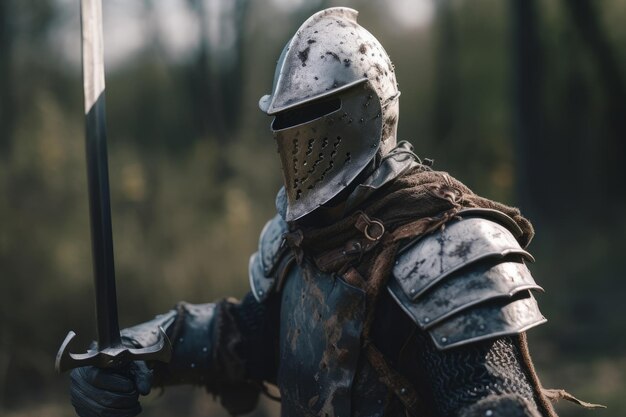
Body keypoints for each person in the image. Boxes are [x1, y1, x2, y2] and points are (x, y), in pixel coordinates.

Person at [68, 7, 595, 417]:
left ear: (370, 108)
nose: (299, 137)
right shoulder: (300, 241)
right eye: (288, 119)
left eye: (315, 114)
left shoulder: (447, 249)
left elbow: (493, 396)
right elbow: (253, 336)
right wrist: (145, 349)